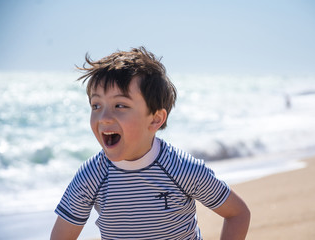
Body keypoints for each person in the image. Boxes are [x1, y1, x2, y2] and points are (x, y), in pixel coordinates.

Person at [51, 47, 250, 240]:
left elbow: (237, 214)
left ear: (155, 119)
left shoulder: (181, 169)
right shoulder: (91, 176)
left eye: (120, 105)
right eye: (96, 105)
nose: (103, 117)